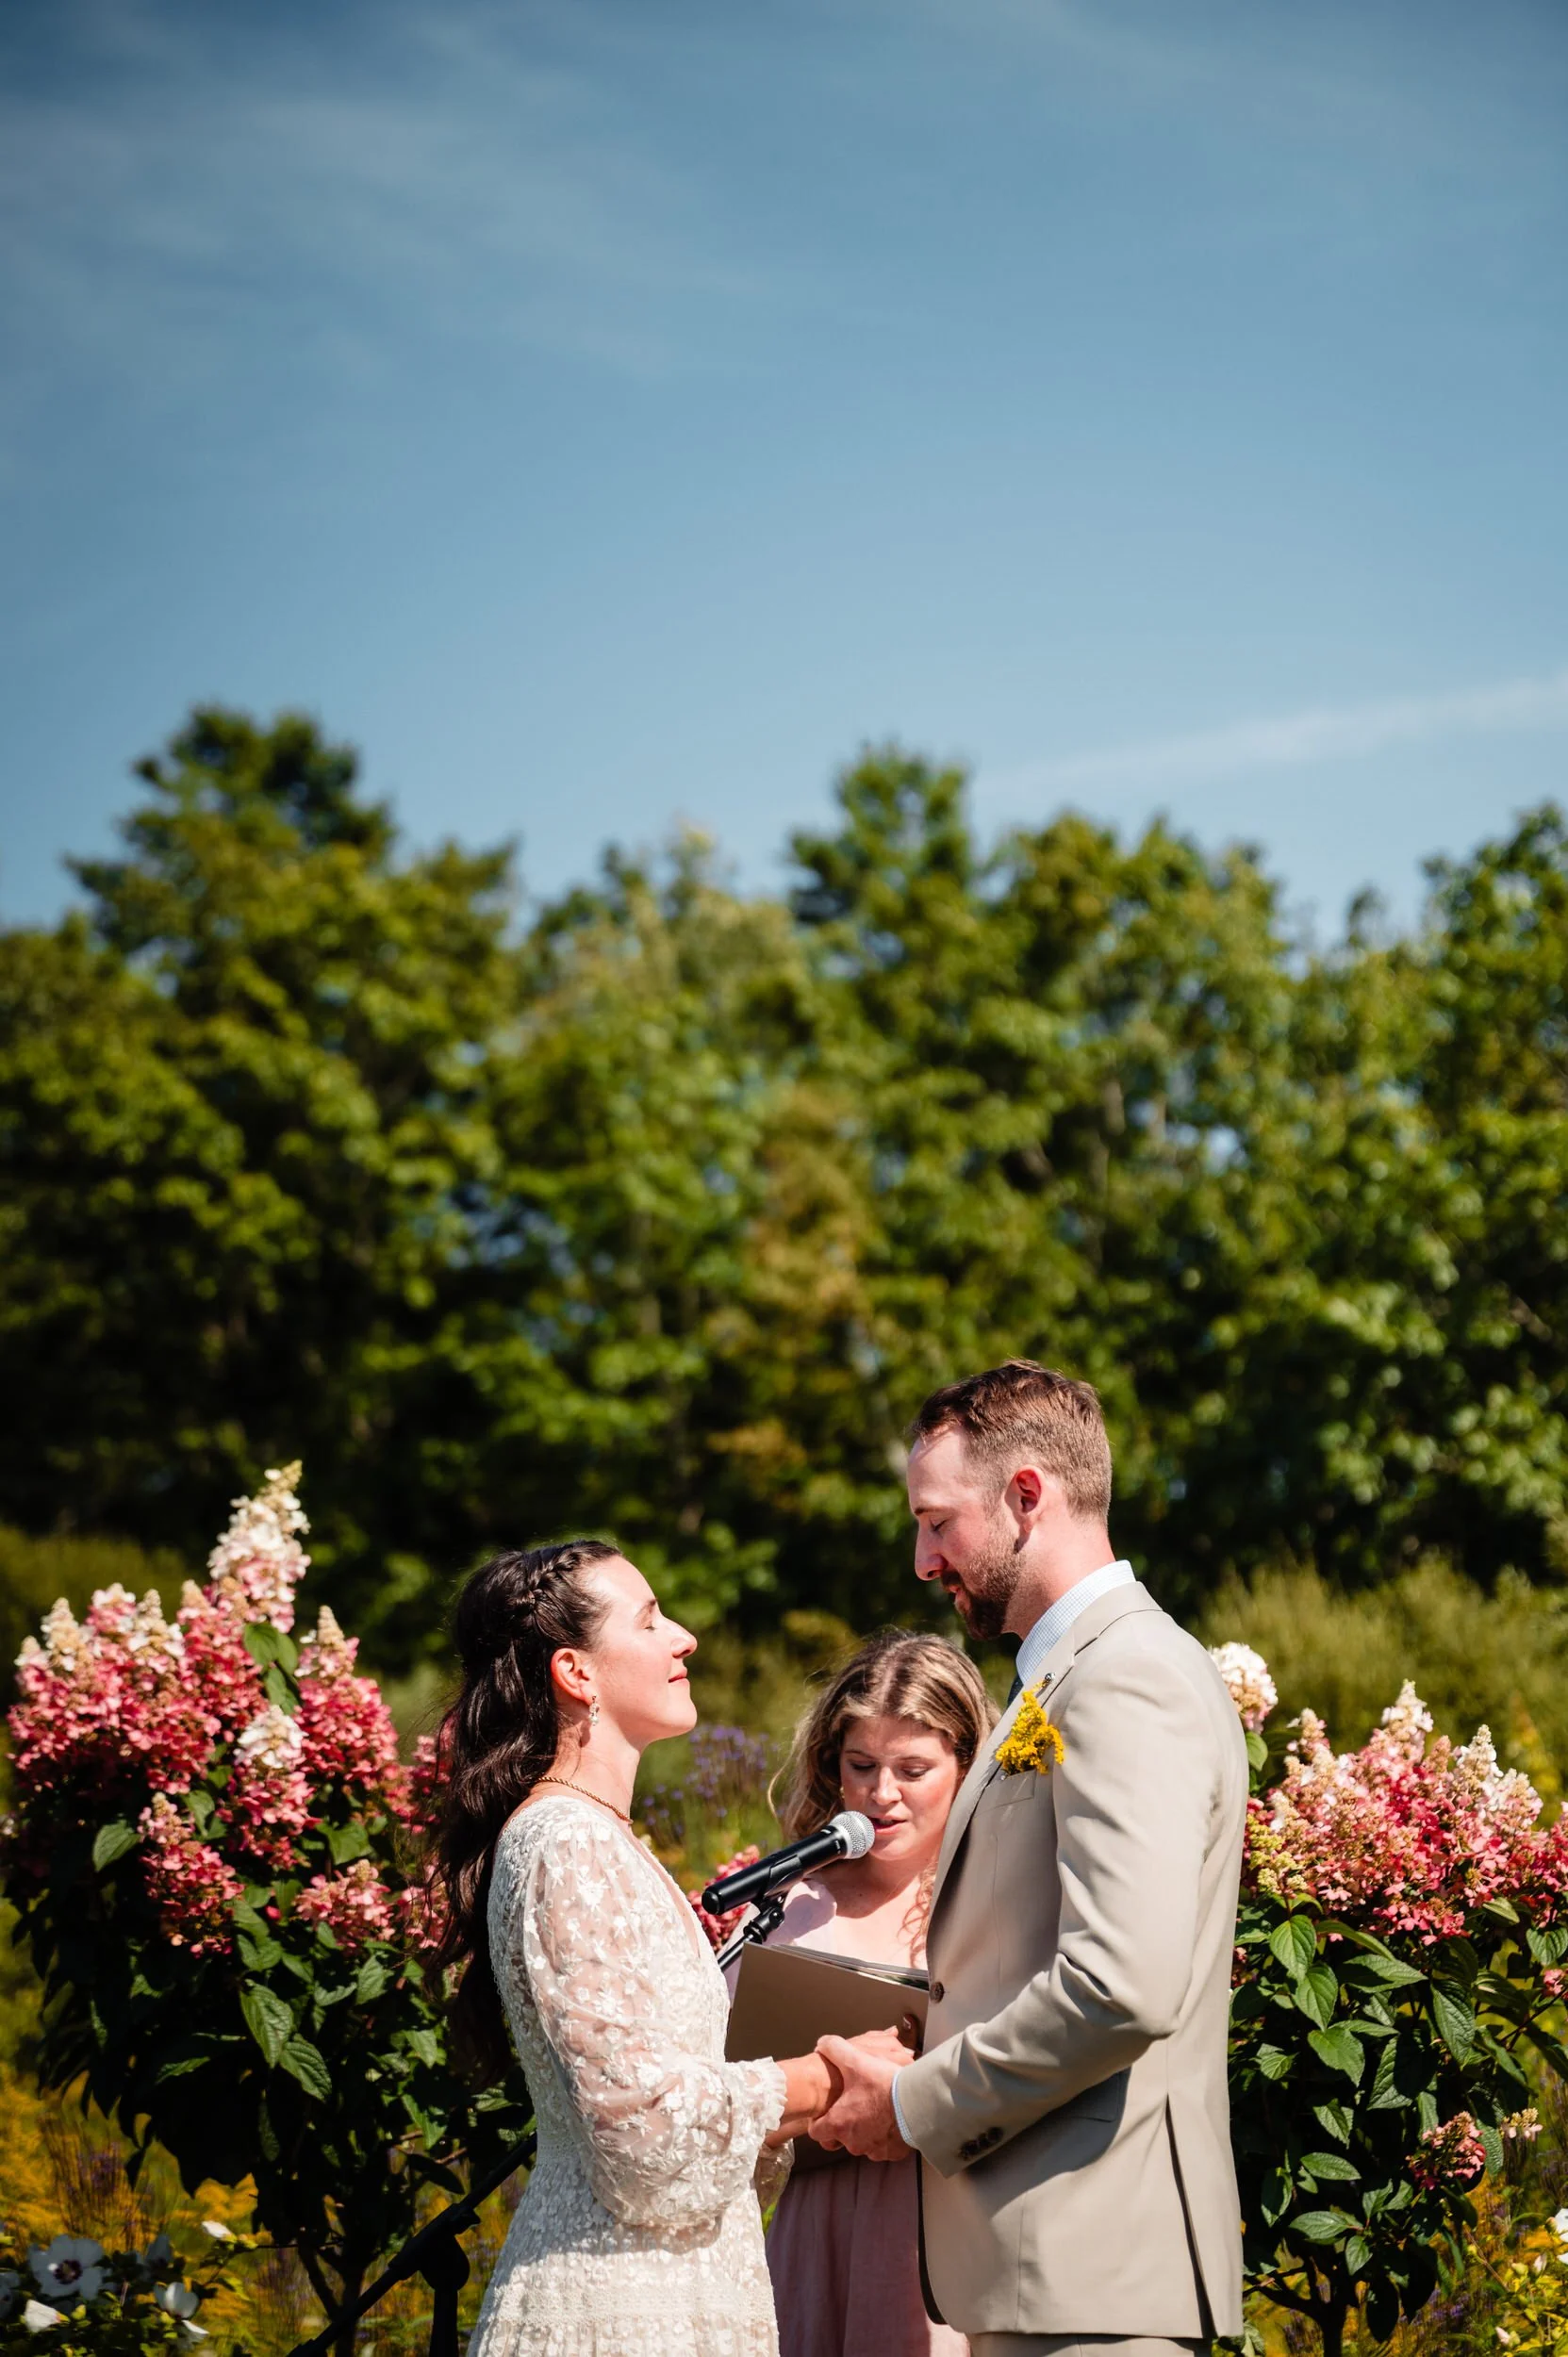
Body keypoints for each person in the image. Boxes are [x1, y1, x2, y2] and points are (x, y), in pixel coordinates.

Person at [810, 1361, 1250, 2357]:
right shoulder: (1064, 1679)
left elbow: (1121, 1983)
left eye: (936, 1521)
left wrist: (913, 2103)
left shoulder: (1126, 1676)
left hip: (1094, 2282)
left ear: (1024, 1497)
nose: (922, 1559)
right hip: (1045, 2279)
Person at [428, 1538, 837, 2357]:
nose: (684, 1637)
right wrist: (822, 2076)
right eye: (650, 1621)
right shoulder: (564, 1844)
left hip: (669, 2297)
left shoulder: (597, 1839)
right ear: (576, 1674)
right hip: (613, 2314)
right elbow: (643, 2133)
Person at [738, 1632, 995, 2357]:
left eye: (913, 1769)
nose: (881, 1794)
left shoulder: (996, 1901)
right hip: (814, 2227)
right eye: (861, 1767)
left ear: (968, 1767)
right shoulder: (793, 1901)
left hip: (942, 2225)